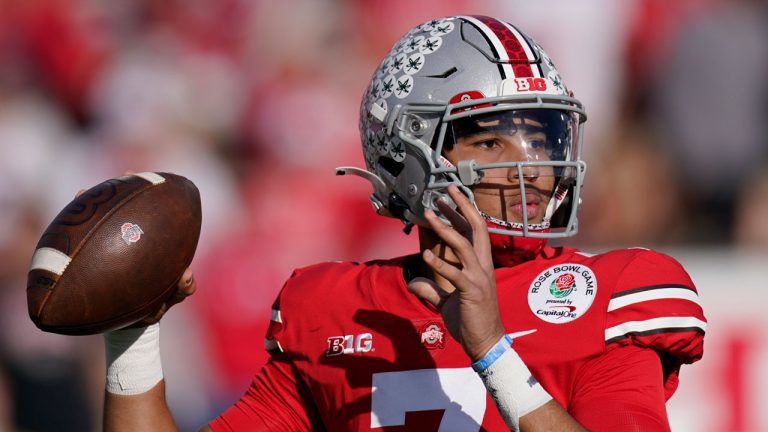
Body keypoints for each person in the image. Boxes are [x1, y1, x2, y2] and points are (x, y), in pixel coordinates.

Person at [101, 16, 706, 431]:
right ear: (406, 158)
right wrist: (132, 336)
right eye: (493, 142)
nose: (535, 167)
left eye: (543, 138)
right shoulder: (336, 312)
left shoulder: (605, 296)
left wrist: (493, 351)